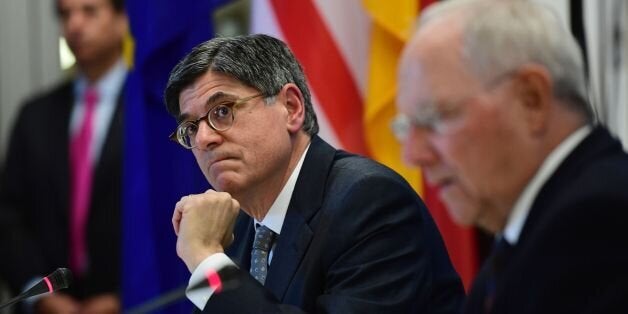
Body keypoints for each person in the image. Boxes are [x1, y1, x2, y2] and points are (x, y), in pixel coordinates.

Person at [165, 34, 464, 313]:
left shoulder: (368, 201)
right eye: (191, 128)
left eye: (221, 111)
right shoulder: (238, 229)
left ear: (291, 107)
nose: (204, 139)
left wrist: (206, 260)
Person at [395, 0, 628, 313]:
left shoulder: (596, 224)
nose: (413, 154)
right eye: (406, 126)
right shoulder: (527, 236)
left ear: (531, 99)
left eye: (436, 117)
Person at [0, 0, 128, 312]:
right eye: (65, 14)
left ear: (122, 20)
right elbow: (8, 216)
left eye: (89, 11)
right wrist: (39, 293)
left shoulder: (153, 114)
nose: (74, 25)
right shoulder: (35, 115)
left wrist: (128, 295)